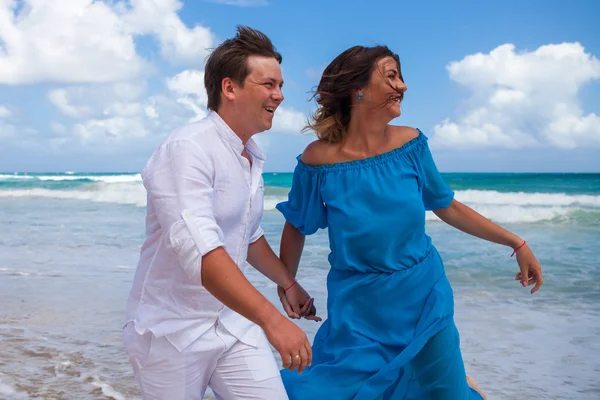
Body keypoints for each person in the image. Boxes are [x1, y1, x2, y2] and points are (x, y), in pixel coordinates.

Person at [276, 45, 544, 399]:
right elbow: (298, 223)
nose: (402, 86)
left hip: (423, 293)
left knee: (445, 395)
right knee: (326, 392)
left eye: (400, 77)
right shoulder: (318, 160)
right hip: (359, 309)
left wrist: (516, 242)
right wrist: (287, 283)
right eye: (391, 76)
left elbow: (445, 205)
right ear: (358, 87)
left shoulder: (411, 143)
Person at [122, 26, 318, 400]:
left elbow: (247, 235)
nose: (279, 95)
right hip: (170, 333)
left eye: (280, 85)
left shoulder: (251, 156)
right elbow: (205, 255)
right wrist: (273, 321)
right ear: (230, 88)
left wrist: (287, 283)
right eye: (269, 84)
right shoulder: (187, 148)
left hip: (230, 322)